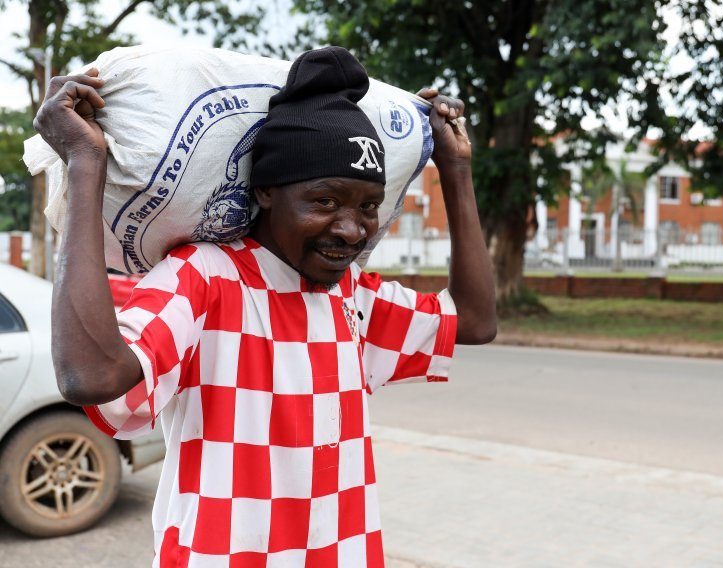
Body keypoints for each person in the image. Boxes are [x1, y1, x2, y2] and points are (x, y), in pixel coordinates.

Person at [36, 46, 495, 567]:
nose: (351, 229)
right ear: (267, 191)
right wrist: (84, 162)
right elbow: (90, 376)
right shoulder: (207, 275)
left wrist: (455, 171)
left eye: (368, 207)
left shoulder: (351, 294)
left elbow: (475, 322)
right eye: (325, 201)